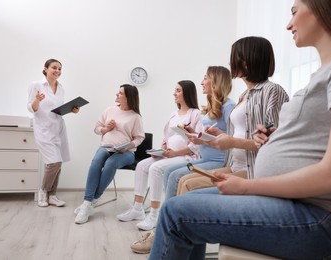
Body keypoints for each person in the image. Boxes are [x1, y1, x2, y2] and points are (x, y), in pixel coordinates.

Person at [149, 0, 331, 259]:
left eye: (294, 12)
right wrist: (278, 136)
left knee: (176, 215)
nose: (288, 24)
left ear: (324, 7)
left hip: (328, 218)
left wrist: (248, 187)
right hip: (306, 205)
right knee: (177, 205)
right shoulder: (330, 70)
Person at [176, 36, 289, 197]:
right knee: (184, 180)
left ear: (247, 61)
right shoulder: (244, 95)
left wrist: (232, 141)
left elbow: (276, 142)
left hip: (253, 170)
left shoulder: (272, 91)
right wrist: (222, 136)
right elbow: (241, 133)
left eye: (234, 57)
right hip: (236, 165)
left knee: (189, 186)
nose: (230, 62)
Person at [116, 80, 202, 231]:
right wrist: (161, 150)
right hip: (168, 154)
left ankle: (155, 215)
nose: (174, 93)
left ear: (187, 93)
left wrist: (174, 153)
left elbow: (196, 144)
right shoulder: (174, 114)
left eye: (178, 90)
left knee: (155, 169)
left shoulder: (196, 114)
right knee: (142, 165)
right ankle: (137, 209)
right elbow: (166, 138)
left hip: (185, 156)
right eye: (175, 90)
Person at [74, 84, 145, 224]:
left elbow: (139, 138)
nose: (117, 95)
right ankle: (88, 203)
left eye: (120, 93)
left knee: (110, 163)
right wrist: (106, 128)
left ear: (128, 97)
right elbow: (96, 129)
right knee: (96, 161)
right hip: (106, 147)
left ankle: (92, 201)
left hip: (126, 152)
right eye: (118, 92)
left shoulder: (135, 116)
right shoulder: (109, 110)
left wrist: (127, 146)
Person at [162, 66, 235, 200]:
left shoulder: (228, 106)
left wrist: (206, 137)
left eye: (205, 78)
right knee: (168, 172)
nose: (201, 82)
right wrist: (194, 133)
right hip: (205, 158)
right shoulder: (212, 106)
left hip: (219, 161)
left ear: (215, 81)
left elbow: (233, 138)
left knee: (175, 176)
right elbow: (209, 136)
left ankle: (169, 215)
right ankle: (169, 213)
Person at [27, 59, 79, 208]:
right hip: (43, 129)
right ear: (45, 69)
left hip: (58, 128)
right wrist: (37, 100)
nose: (57, 71)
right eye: (54, 68)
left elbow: (58, 110)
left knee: (58, 162)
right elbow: (31, 108)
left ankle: (53, 195)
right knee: (53, 162)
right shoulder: (36, 85)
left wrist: (71, 109)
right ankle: (43, 191)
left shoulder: (61, 88)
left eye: (60, 69)